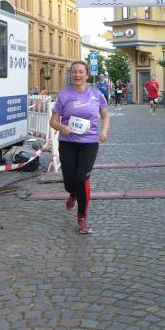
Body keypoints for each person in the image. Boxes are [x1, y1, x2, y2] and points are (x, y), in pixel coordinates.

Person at [49, 61, 110, 234]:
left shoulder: (96, 94)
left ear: (87, 75)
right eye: (75, 72)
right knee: (70, 182)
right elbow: (53, 121)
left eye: (81, 72)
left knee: (82, 178)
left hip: (89, 143)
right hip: (67, 143)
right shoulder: (64, 95)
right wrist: (62, 127)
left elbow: (106, 116)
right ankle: (72, 194)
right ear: (71, 74)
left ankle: (82, 216)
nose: (77, 75)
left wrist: (104, 132)